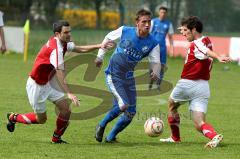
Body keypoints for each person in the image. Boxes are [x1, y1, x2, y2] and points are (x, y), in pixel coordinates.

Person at [6, 20, 114, 144]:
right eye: (66, 32)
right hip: (37, 86)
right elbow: (60, 72)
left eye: (70, 31)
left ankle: (56, 138)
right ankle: (13, 117)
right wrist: (69, 93)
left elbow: (79, 48)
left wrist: (99, 46)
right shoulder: (56, 48)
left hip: (49, 82)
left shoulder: (63, 43)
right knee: (41, 119)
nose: (69, 34)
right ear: (57, 34)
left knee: (66, 110)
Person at [159, 16, 231, 148]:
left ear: (194, 29)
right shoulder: (207, 40)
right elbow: (207, 52)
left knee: (171, 105)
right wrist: (184, 26)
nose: (183, 33)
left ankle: (175, 138)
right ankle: (214, 136)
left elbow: (206, 52)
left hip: (187, 83)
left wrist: (218, 56)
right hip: (203, 86)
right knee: (199, 123)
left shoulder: (197, 43)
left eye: (186, 30)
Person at [94, 9, 161, 143]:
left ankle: (111, 137)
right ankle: (101, 125)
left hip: (128, 78)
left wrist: (156, 72)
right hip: (114, 74)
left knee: (130, 113)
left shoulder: (153, 43)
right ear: (137, 22)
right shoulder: (125, 31)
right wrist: (100, 56)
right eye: (144, 22)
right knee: (123, 105)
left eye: (149, 22)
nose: (147, 25)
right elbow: (108, 37)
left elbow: (156, 62)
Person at [148, 6, 174, 90]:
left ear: (166, 14)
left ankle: (158, 84)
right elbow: (148, 34)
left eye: (164, 12)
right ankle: (151, 81)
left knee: (162, 66)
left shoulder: (168, 24)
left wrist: (171, 49)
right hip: (153, 48)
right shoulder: (153, 22)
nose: (162, 14)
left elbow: (170, 37)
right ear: (159, 13)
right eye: (161, 12)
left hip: (162, 48)